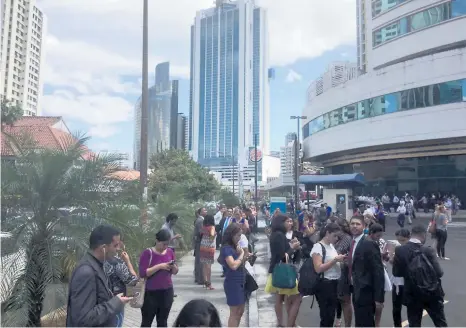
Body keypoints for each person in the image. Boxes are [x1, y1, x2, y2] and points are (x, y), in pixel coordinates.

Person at [66, 225, 132, 327]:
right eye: (115, 245)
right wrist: (115, 303)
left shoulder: (98, 265)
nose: (118, 249)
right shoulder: (86, 272)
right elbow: (83, 319)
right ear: (103, 248)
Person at [392, 224, 447, 327]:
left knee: (414, 323)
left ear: (411, 234)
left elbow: (397, 273)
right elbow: (440, 273)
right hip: (431, 292)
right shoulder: (429, 250)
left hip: (412, 294)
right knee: (440, 322)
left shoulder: (400, 250)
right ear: (423, 235)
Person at [265, 214, 302, 327]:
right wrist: (293, 248)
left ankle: (282, 324)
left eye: (291, 221)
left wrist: (291, 246)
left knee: (280, 297)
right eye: (288, 221)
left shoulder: (277, 235)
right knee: (296, 297)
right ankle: (289, 324)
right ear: (281, 223)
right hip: (283, 271)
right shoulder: (279, 235)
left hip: (278, 270)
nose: (290, 223)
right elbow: (283, 256)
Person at [348, 215, 385, 327]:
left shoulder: (368, 243)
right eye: (352, 223)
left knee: (366, 322)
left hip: (366, 290)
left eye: (358, 224)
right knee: (360, 321)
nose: (354, 226)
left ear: (364, 227)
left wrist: (379, 298)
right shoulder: (353, 241)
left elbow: (378, 270)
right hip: (356, 288)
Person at [139, 229, 179, 327]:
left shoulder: (170, 252)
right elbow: (143, 273)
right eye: (163, 244)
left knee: (163, 322)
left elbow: (175, 272)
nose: (165, 246)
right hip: (151, 294)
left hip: (167, 292)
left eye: (167, 244)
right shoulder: (148, 253)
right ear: (157, 240)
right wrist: (160, 266)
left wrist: (173, 266)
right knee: (146, 322)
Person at [311, 223, 345, 328]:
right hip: (324, 284)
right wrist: (335, 260)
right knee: (326, 316)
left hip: (334, 283)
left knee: (330, 315)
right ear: (327, 233)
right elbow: (318, 268)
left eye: (338, 236)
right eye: (334, 236)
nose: (336, 238)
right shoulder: (318, 247)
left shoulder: (330, 246)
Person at [103, 238, 138, 327]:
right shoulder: (117, 263)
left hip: (102, 304)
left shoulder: (100, 260)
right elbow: (133, 280)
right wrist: (127, 261)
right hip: (116, 303)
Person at [220, 223, 247, 327]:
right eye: (237, 235)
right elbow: (233, 265)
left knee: (240, 311)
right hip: (233, 282)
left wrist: (246, 257)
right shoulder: (227, 248)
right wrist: (241, 255)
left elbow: (239, 263)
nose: (239, 238)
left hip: (241, 281)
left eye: (240, 235)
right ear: (231, 235)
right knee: (234, 312)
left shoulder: (235, 247)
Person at [389, 229, 411, 327]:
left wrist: (392, 255)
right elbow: (391, 262)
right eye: (399, 241)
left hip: (407, 283)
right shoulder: (398, 249)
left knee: (411, 307)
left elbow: (394, 262)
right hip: (397, 282)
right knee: (396, 308)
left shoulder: (409, 249)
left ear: (408, 238)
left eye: (403, 241)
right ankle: (397, 325)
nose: (401, 243)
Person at [200, 214, 217, 289]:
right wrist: (215, 234)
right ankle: (209, 283)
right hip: (209, 247)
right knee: (209, 266)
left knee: (204, 264)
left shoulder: (203, 227)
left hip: (203, 246)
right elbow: (211, 237)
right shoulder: (212, 227)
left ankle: (205, 281)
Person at [193, 207, 206, 285]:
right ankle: (200, 279)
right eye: (204, 210)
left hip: (199, 242)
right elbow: (202, 232)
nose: (206, 211)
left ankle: (198, 277)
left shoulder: (200, 220)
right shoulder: (201, 220)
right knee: (200, 261)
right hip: (200, 243)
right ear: (200, 212)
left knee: (198, 260)